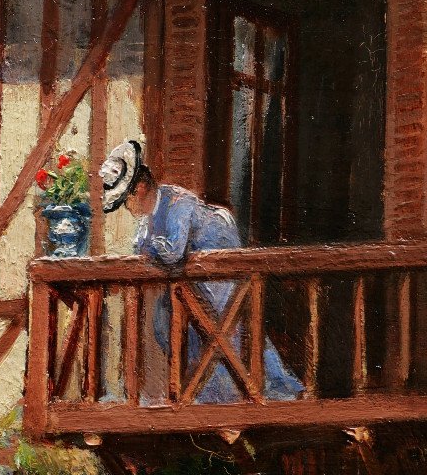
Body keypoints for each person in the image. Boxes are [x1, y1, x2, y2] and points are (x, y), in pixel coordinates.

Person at [99, 139, 303, 404]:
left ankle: (261, 392)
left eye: (125, 202)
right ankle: (208, 394)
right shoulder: (151, 217)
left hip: (221, 269)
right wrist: (149, 246)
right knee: (166, 322)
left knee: (225, 327)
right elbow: (143, 247)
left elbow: (172, 251)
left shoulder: (178, 203)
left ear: (138, 189)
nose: (128, 209)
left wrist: (151, 247)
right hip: (195, 278)